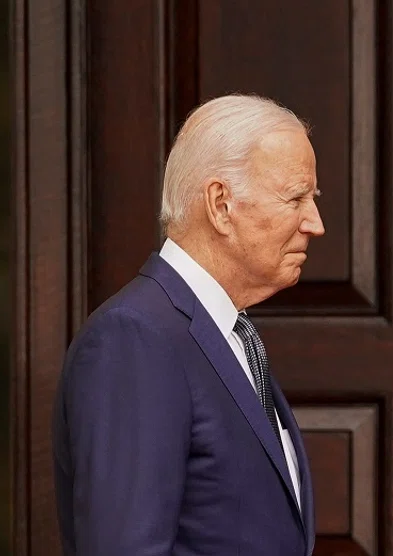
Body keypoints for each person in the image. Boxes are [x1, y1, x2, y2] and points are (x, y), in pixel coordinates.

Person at [51, 94, 324, 555]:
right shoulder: (135, 339)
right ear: (220, 204)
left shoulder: (228, 334)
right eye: (295, 198)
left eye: (311, 200)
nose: (314, 223)